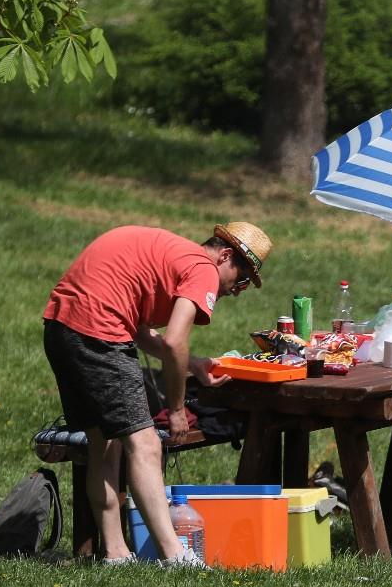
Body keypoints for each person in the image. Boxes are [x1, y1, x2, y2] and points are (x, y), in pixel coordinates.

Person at [42, 222, 272, 567]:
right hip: (98, 331)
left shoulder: (175, 255)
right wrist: (177, 409)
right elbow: (174, 340)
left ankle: (117, 554)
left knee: (105, 442)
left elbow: (143, 334)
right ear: (225, 256)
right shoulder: (203, 269)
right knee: (146, 444)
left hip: (61, 328)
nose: (237, 291)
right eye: (240, 280)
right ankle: (175, 556)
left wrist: (193, 365)